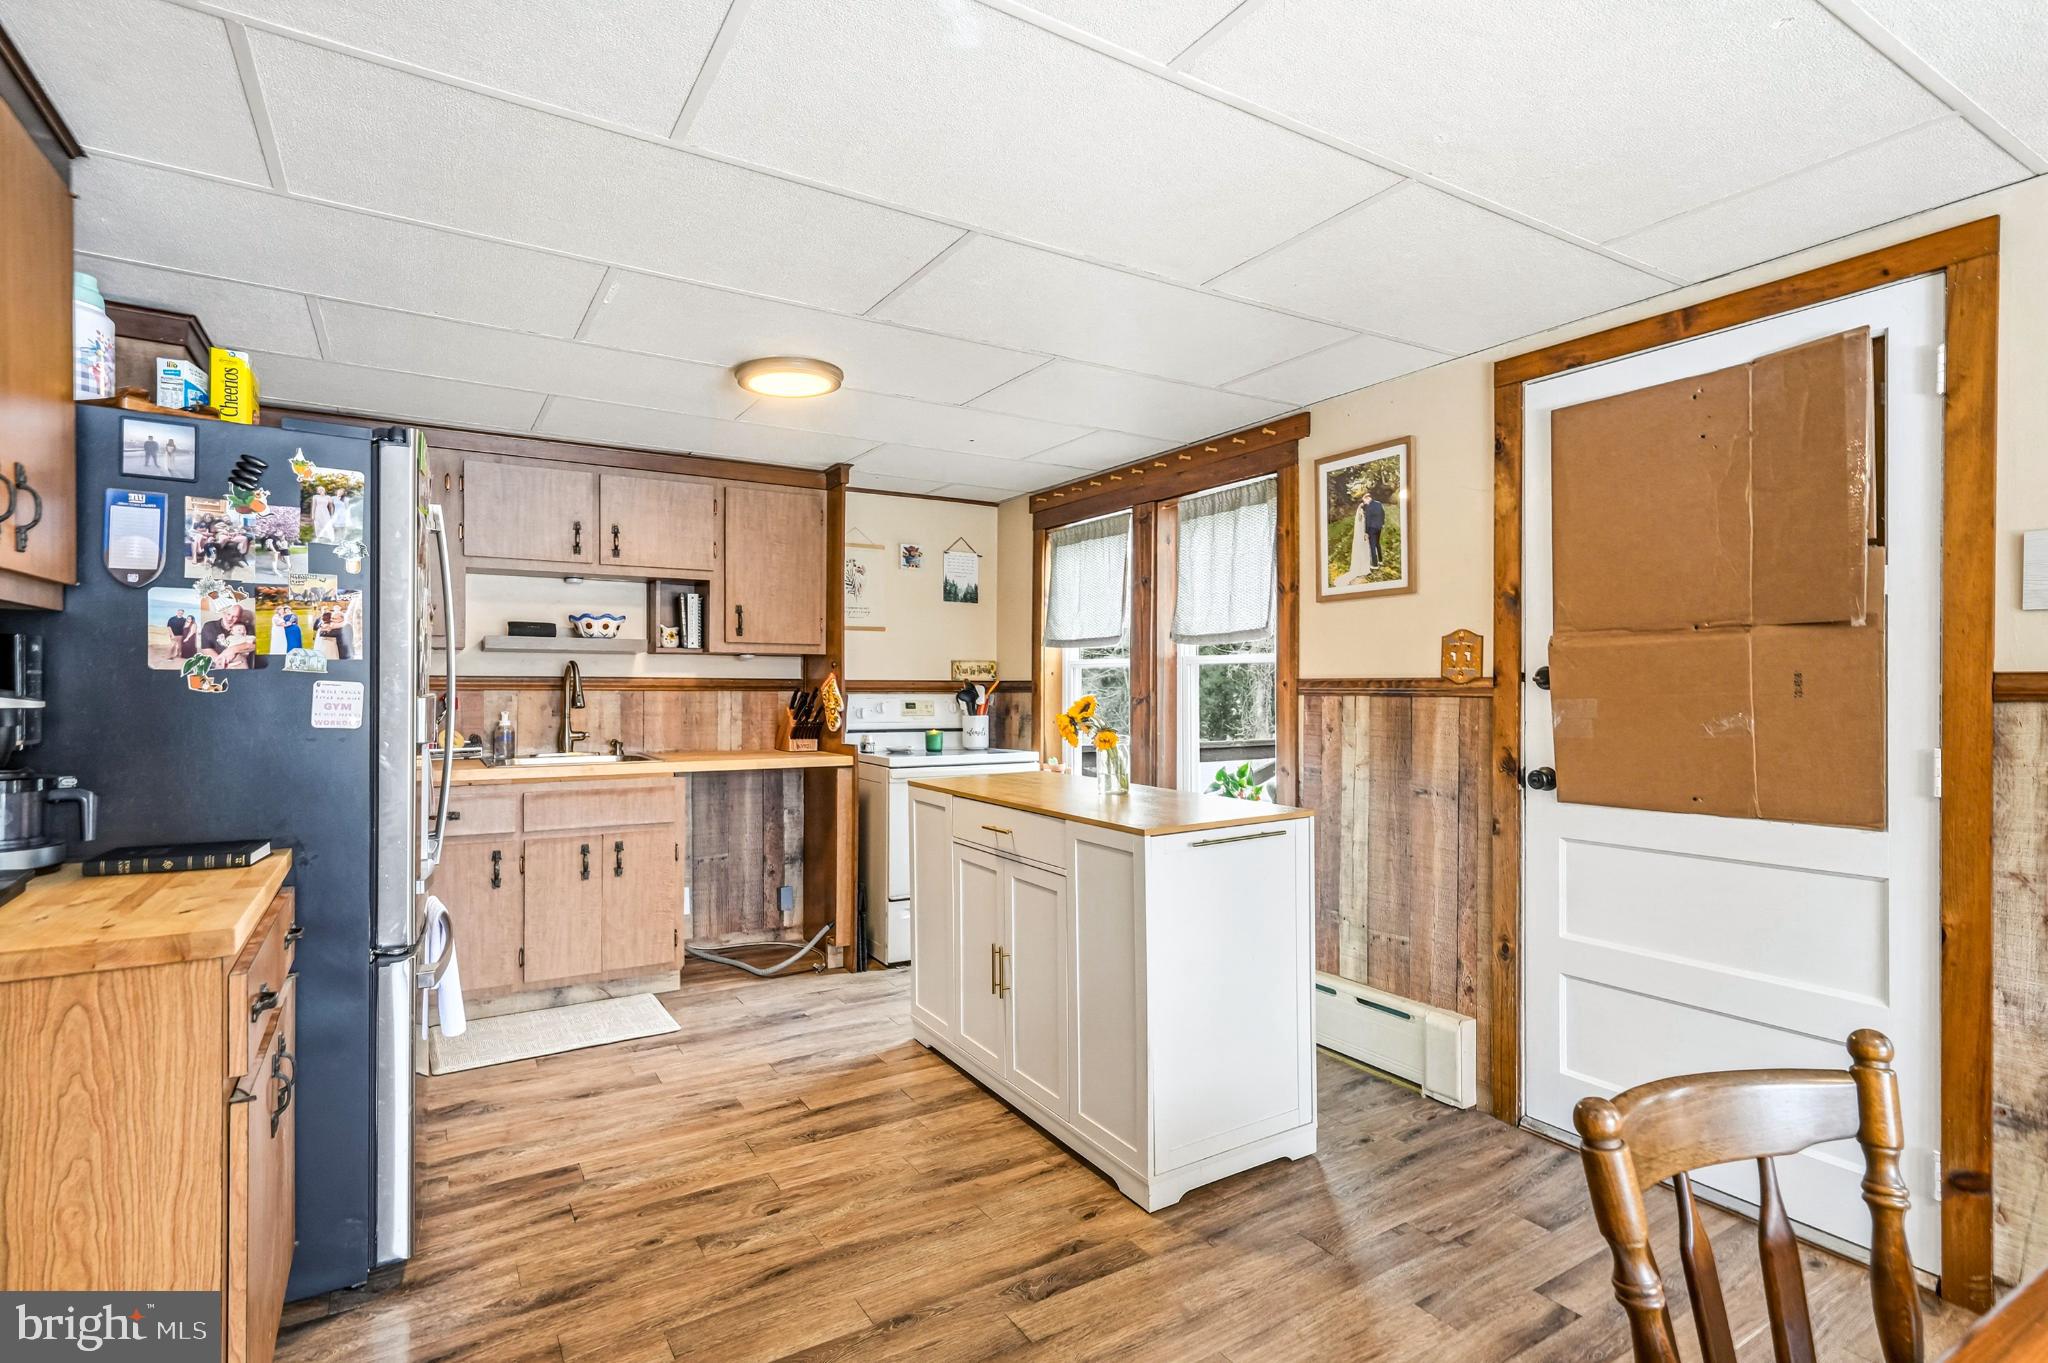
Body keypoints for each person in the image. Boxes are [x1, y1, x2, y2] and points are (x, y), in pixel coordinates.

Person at [200, 603, 259, 669]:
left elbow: (255, 645)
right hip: (217, 664)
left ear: (239, 617)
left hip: (241, 664)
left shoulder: (245, 627)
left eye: (235, 616)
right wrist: (221, 663)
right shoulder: (209, 626)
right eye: (228, 614)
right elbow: (206, 649)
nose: (230, 618)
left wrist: (233, 649)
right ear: (223, 613)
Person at [1363, 491, 1387, 570]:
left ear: (1368, 498)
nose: (1364, 502)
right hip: (1379, 527)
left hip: (1372, 528)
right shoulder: (1379, 503)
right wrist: (1382, 523)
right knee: (1377, 543)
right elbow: (1383, 513)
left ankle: (1375, 565)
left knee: (1372, 546)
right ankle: (1380, 560)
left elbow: (1368, 520)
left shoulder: (1369, 507)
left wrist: (1366, 532)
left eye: (1364, 500)